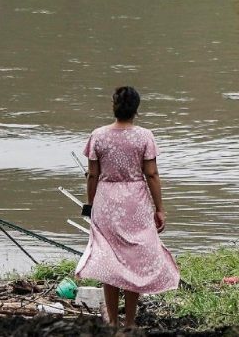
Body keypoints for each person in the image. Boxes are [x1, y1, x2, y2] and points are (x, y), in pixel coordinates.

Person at [75, 86, 180, 327]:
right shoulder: (145, 136)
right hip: (136, 201)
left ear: (114, 107)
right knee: (135, 260)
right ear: (136, 109)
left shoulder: (98, 136)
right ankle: (130, 322)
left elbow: (92, 176)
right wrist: (159, 208)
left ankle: (112, 321)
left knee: (109, 261)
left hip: (107, 201)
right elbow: (151, 174)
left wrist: (91, 205)